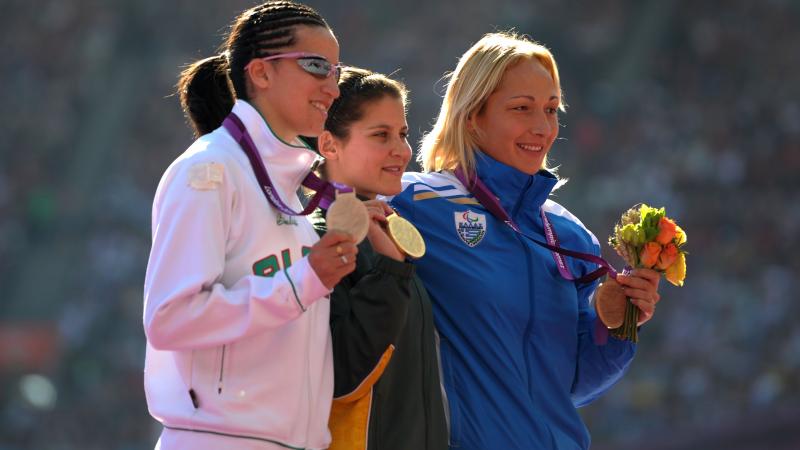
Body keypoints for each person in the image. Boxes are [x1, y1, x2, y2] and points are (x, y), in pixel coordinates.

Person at [387, 32, 662, 449]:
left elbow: (573, 385)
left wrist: (614, 325)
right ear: (472, 116)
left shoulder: (569, 234)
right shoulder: (414, 201)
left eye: (551, 110)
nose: (542, 127)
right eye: (521, 109)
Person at [142, 2, 357, 449]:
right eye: (317, 67)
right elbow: (169, 319)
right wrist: (302, 281)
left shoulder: (288, 188)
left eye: (337, 71)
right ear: (261, 73)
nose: (333, 88)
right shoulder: (209, 171)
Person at [310, 67, 448, 450]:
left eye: (402, 134)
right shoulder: (315, 235)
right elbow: (339, 377)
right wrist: (390, 275)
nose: (401, 151)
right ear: (329, 144)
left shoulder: (385, 228)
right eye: (380, 135)